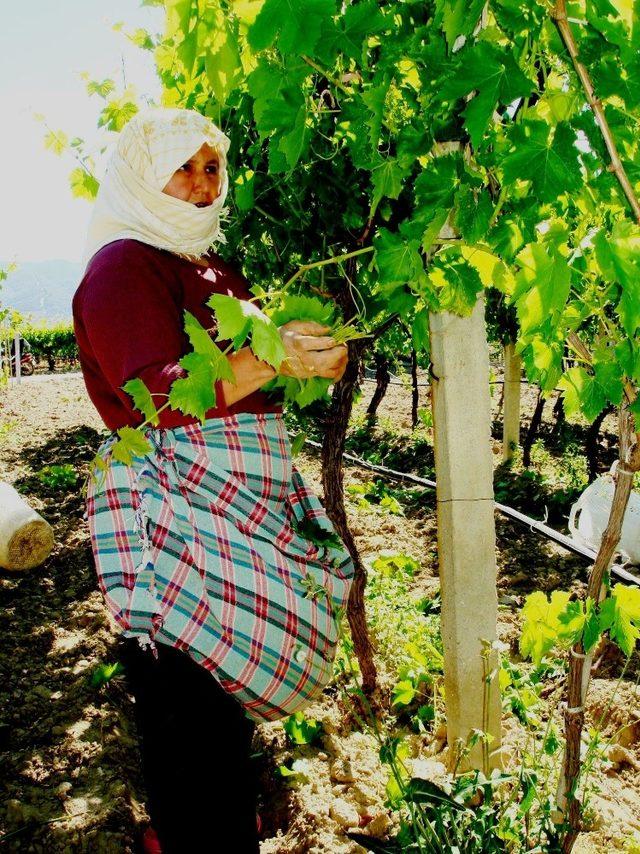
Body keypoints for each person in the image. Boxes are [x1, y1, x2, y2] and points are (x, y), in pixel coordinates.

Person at [72, 108, 354, 854]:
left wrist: (318, 362)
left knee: (216, 706)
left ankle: (212, 828)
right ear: (141, 174)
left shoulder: (213, 269)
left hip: (234, 503)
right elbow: (155, 395)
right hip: (176, 516)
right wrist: (271, 359)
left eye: (212, 168)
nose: (202, 185)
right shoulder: (122, 266)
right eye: (184, 167)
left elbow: (254, 385)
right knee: (184, 703)